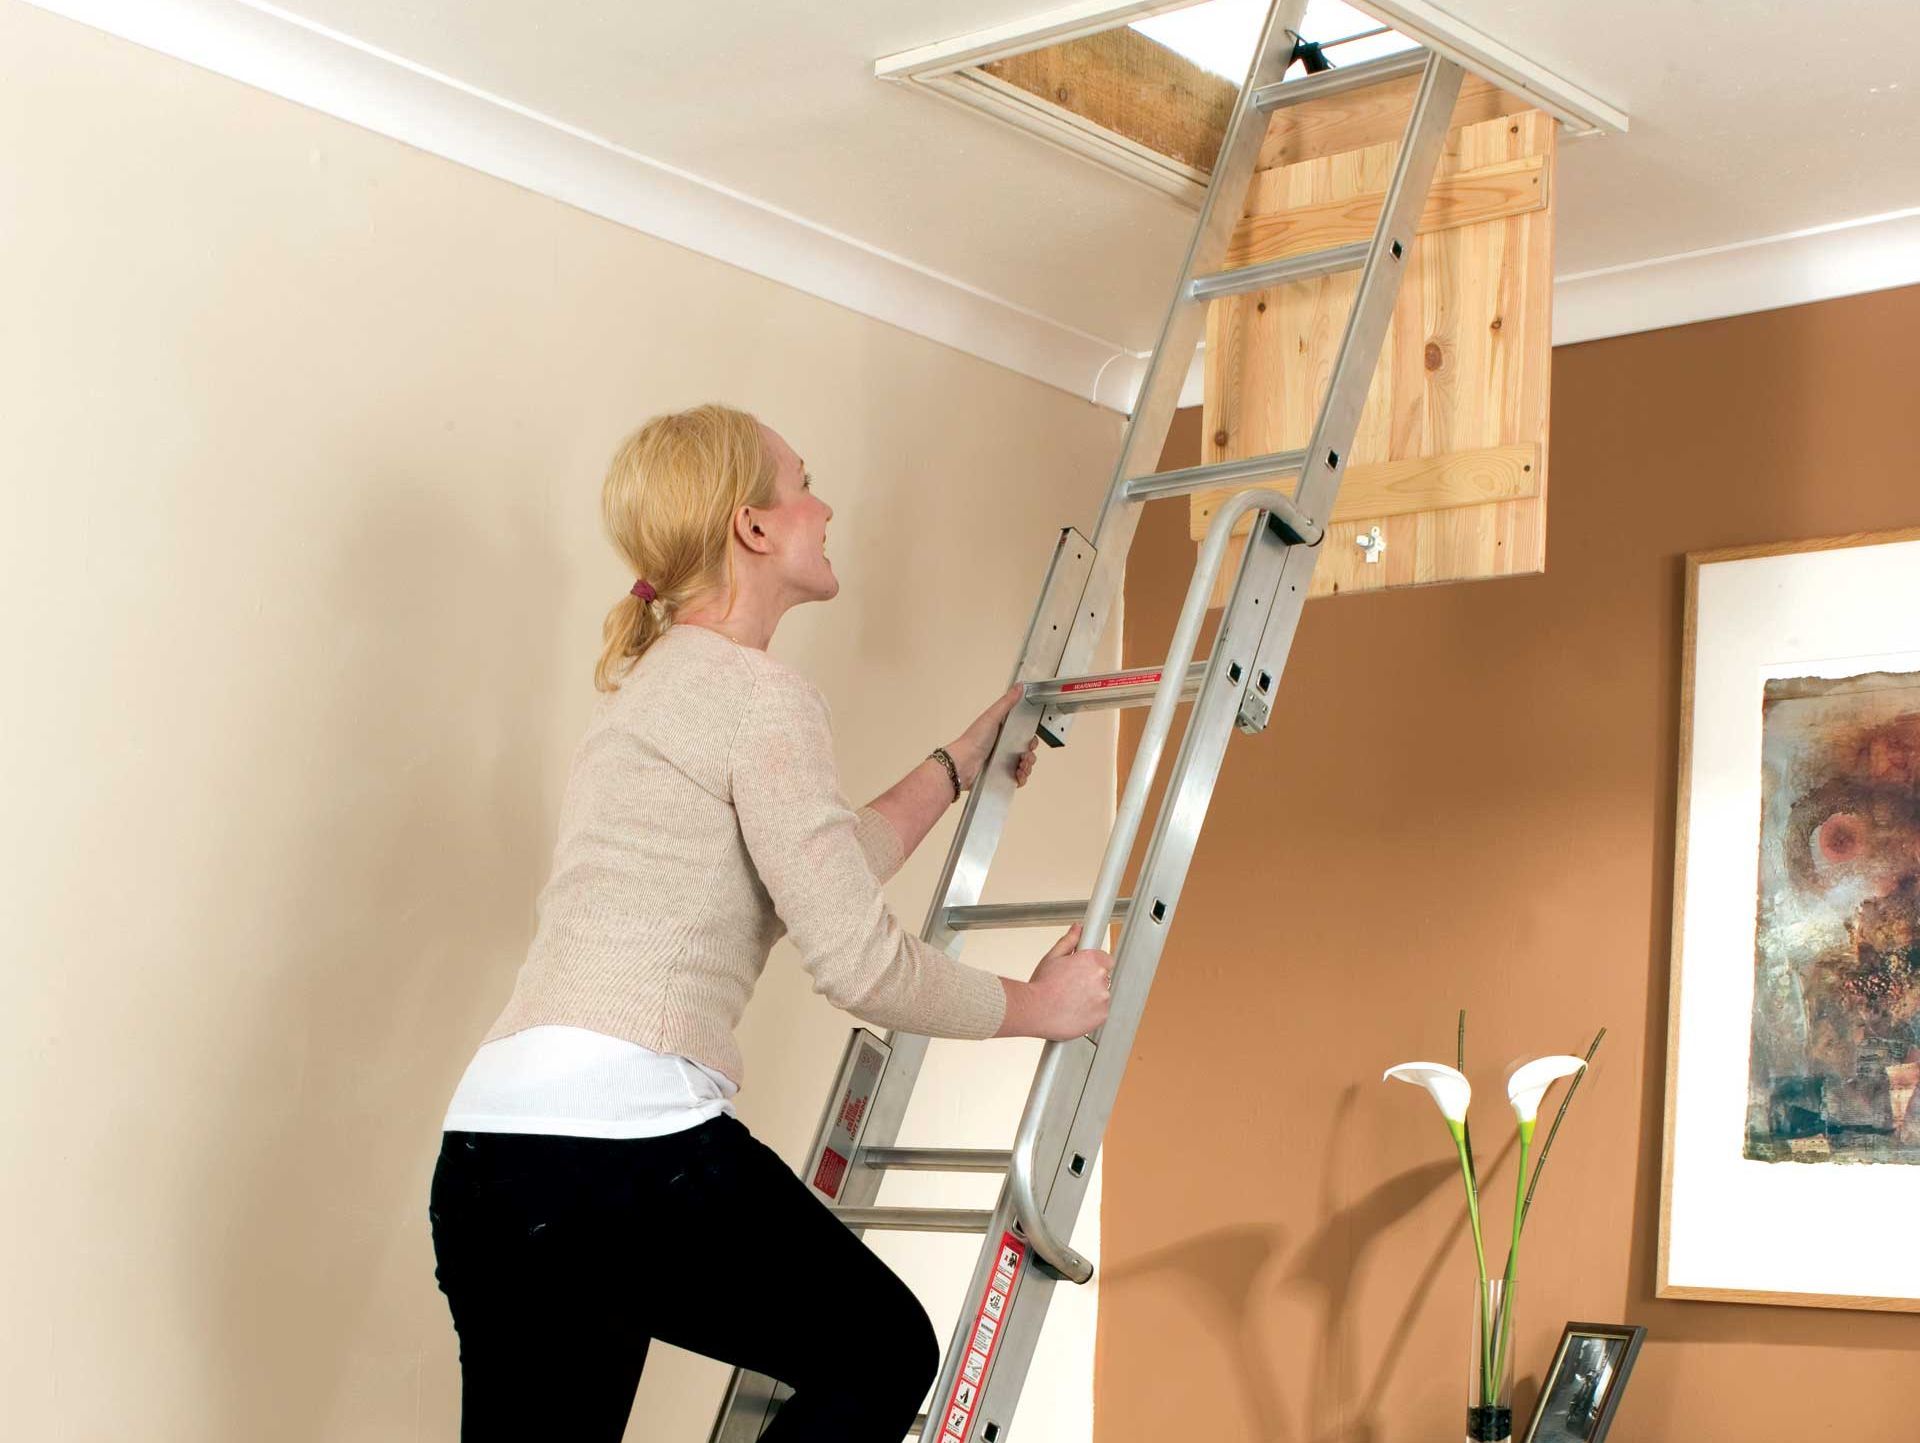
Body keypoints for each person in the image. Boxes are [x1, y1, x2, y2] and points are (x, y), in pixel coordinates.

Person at [428, 403, 1116, 1441]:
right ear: (753, 528)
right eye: (803, 484)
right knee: (883, 1352)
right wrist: (1038, 1007)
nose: (824, 506)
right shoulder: (758, 696)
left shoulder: (652, 691)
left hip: (492, 1158)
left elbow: (819, 867)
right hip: (619, 1148)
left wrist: (960, 763)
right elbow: (858, 959)